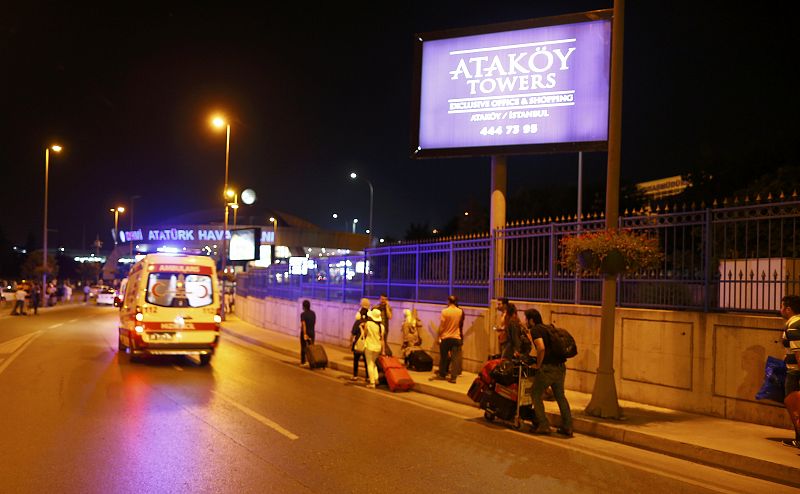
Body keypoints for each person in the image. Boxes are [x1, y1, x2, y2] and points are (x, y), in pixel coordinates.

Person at [527, 307, 573, 437]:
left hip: (548, 368)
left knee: (535, 393)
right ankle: (568, 427)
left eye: (526, 319)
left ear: (531, 320)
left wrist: (538, 364)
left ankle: (543, 425)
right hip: (560, 367)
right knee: (560, 396)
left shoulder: (536, 330)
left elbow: (541, 348)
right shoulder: (548, 328)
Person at [780, 295, 800, 448]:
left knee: (794, 407)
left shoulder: (793, 325)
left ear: (788, 309)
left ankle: (799, 439)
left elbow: (798, 351)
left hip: (795, 372)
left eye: (782, 306)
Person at [430, 295, 464, 384]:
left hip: (445, 337)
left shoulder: (444, 311)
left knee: (444, 357)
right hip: (456, 337)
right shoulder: (460, 312)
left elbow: (442, 326)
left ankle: (442, 374)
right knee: (455, 358)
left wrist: (438, 336)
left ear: (448, 301)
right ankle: (453, 377)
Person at [363, 307, 385, 389]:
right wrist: (383, 350)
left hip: (369, 346)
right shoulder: (382, 327)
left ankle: (372, 383)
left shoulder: (368, 323)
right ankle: (376, 379)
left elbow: (365, 333)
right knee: (373, 363)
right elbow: (382, 339)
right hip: (378, 347)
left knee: (369, 364)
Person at [350, 298, 370, 381]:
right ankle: (368, 377)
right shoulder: (370, 322)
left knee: (356, 360)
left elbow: (353, 333)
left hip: (358, 343)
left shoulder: (358, 321)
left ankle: (355, 375)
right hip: (367, 343)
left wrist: (351, 342)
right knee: (366, 361)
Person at [299, 299, 316, 366]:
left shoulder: (303, 314)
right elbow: (314, 322)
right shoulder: (313, 313)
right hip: (312, 332)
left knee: (303, 347)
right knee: (311, 347)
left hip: (305, 332)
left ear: (303, 306)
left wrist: (305, 334)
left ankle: (303, 362)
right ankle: (312, 362)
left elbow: (304, 324)